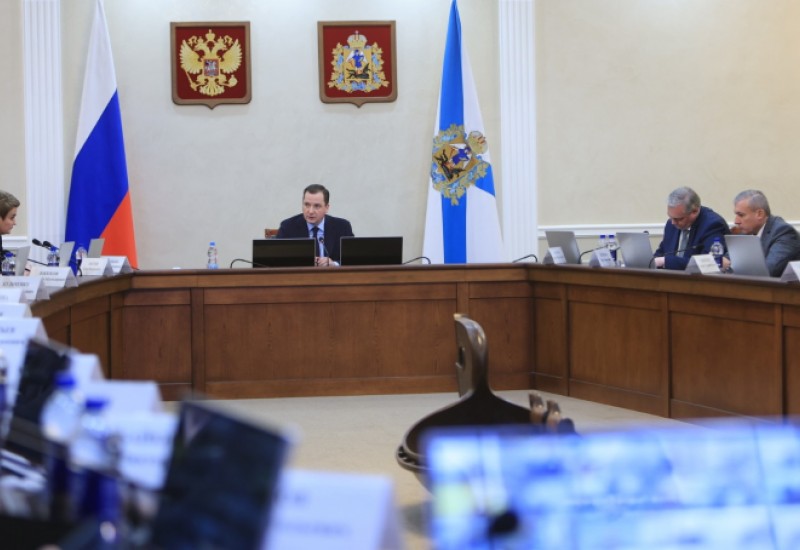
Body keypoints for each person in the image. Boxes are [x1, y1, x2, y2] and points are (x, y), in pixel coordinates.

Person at [727, 189, 800, 277]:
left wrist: (729, 266)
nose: (736, 221)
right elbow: (726, 260)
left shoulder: (783, 232)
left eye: (741, 215)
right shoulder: (746, 232)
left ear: (760, 214)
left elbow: (768, 272)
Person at [276, 184, 353, 267]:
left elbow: (352, 258)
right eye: (307, 205)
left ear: (326, 208)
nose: (310, 211)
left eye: (317, 206)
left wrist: (334, 264)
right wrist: (304, 262)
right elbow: (277, 259)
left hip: (332, 275)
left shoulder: (342, 227)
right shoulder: (288, 227)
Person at [653, 186, 729, 270]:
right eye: (670, 217)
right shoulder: (671, 224)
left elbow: (709, 264)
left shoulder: (713, 225)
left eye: (679, 219)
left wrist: (666, 262)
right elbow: (661, 253)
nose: (673, 222)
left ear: (695, 211)